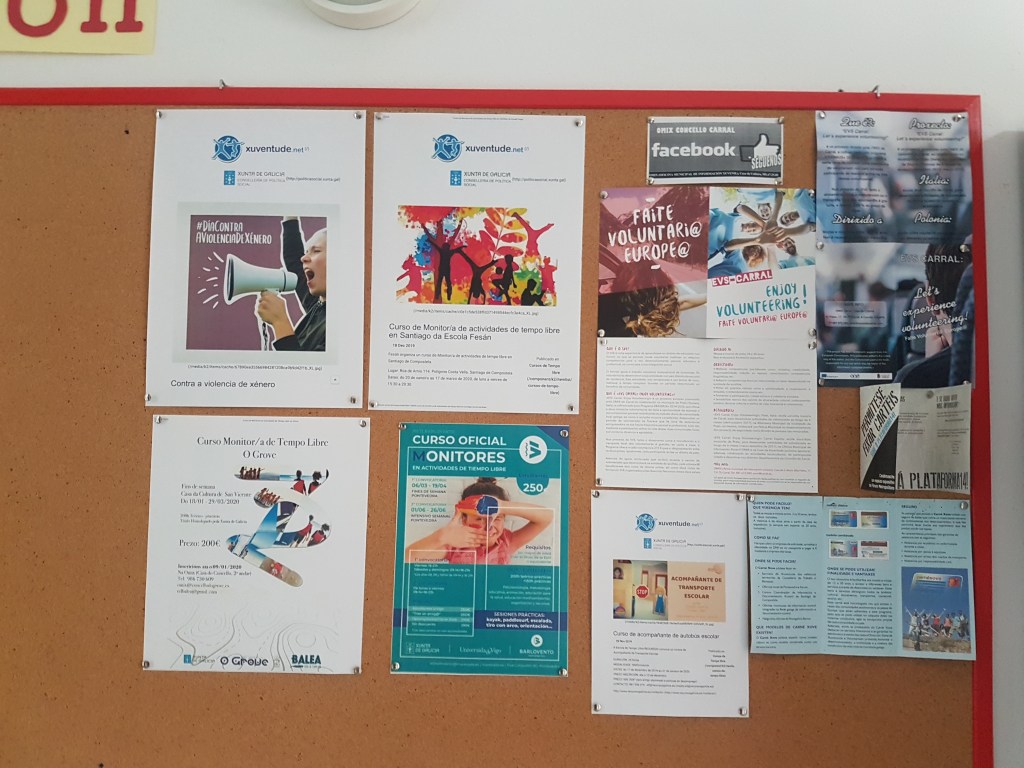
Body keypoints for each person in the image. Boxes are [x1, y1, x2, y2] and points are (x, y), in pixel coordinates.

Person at [404, 478, 553, 565]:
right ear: (464, 520)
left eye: (497, 518)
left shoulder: (507, 542)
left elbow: (547, 517)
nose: (489, 527)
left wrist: (501, 506)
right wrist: (441, 536)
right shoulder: (454, 546)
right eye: (479, 519)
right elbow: (407, 558)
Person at [255, 216, 327, 351]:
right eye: (306, 252)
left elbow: (301, 366)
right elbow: (294, 259)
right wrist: (290, 217)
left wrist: (280, 322)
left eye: (316, 251)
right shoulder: (317, 304)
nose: (304, 258)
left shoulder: (344, 324)